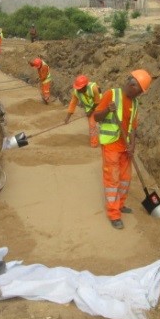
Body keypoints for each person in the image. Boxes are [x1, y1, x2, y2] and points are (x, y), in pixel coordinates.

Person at [94, 69, 152, 230]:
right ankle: (114, 214)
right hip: (111, 145)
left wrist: (132, 145)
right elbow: (96, 117)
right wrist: (107, 110)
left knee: (126, 178)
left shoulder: (135, 103)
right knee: (112, 180)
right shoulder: (111, 94)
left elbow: (133, 127)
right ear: (131, 84)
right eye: (138, 91)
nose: (138, 94)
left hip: (126, 147)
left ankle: (120, 204)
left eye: (141, 92)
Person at [64, 75, 102, 148]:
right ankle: (94, 143)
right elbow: (73, 104)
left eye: (80, 88)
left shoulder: (94, 88)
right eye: (77, 88)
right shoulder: (76, 92)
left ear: (85, 86)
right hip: (89, 108)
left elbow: (97, 101)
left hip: (100, 105)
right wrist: (67, 118)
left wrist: (91, 110)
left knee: (105, 121)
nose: (78, 90)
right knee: (92, 125)